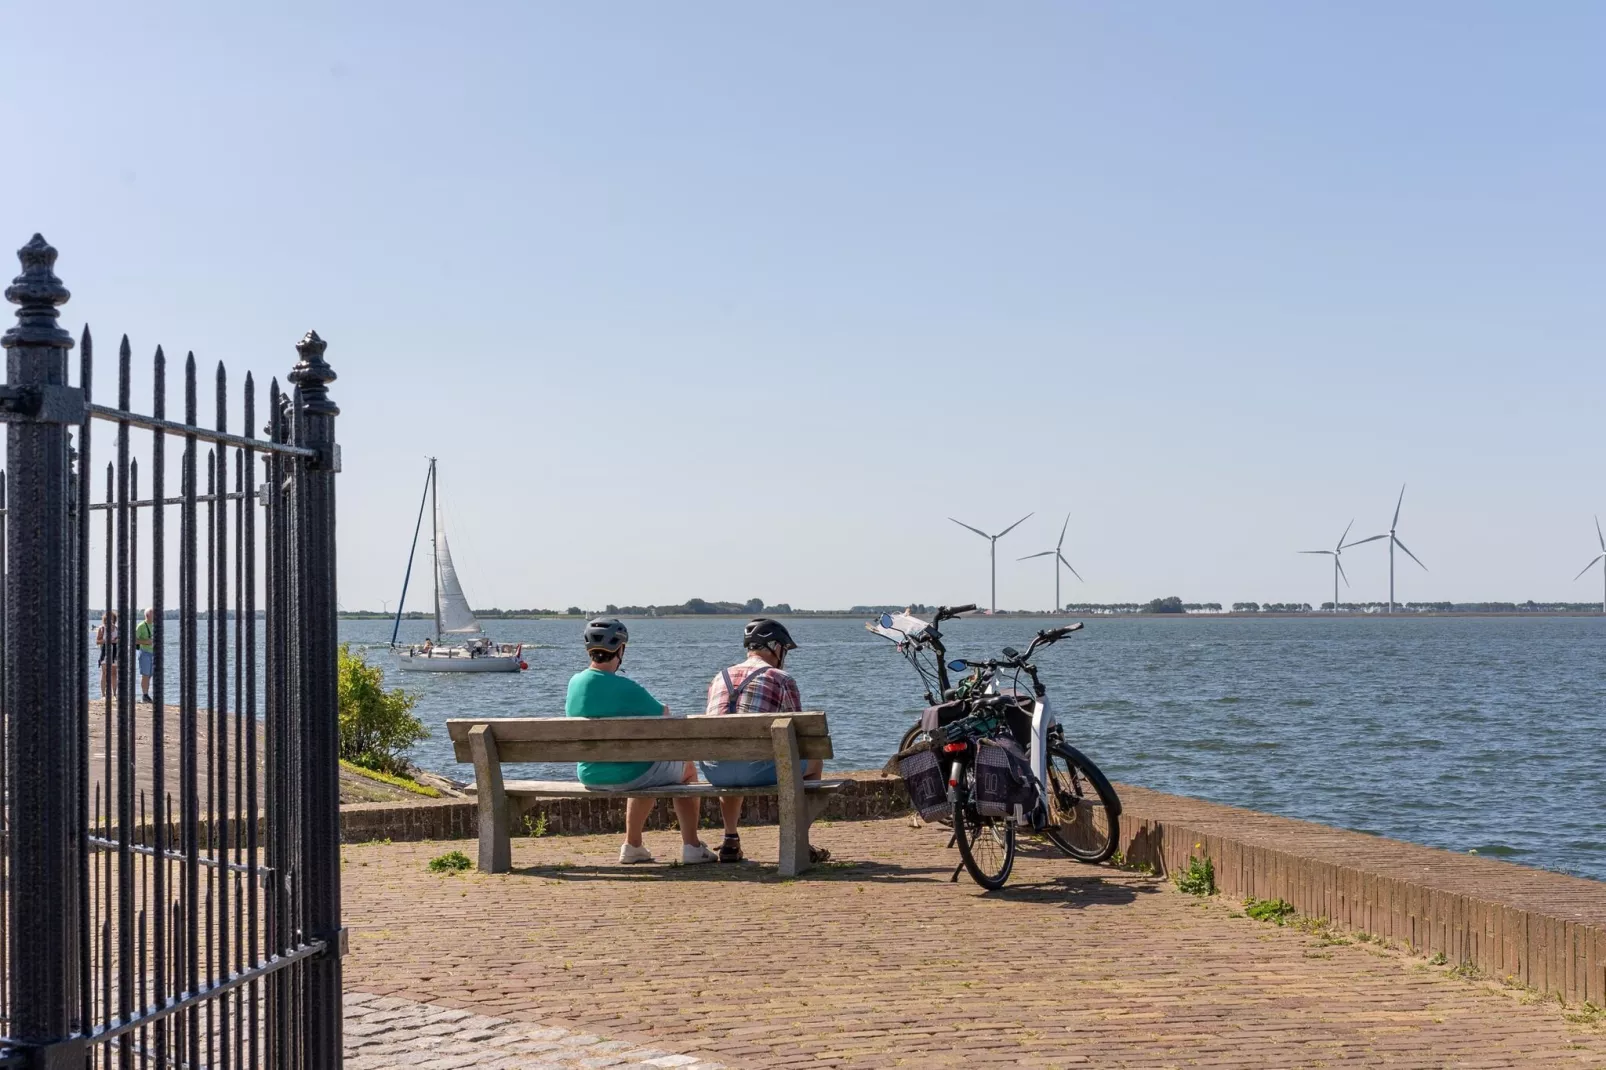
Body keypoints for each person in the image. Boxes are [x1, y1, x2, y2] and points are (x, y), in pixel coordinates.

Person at [565, 618, 718, 865]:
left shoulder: (575, 683)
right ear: (621, 649)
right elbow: (664, 714)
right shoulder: (626, 687)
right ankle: (691, 847)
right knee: (686, 769)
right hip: (628, 775)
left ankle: (633, 846)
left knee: (645, 764)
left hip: (590, 773)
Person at [699, 618, 827, 864]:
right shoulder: (781, 678)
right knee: (814, 761)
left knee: (729, 753)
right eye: (785, 650)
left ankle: (730, 839)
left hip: (717, 772)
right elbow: (799, 733)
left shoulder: (719, 677)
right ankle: (798, 840)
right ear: (775, 647)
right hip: (756, 771)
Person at [96, 610, 119, 700]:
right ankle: (103, 695)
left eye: (112, 619)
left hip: (115, 652)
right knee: (104, 673)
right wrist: (106, 640)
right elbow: (97, 641)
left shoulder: (117, 629)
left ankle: (114, 694)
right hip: (105, 652)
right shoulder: (102, 629)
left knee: (114, 673)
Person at [135, 607, 155, 703]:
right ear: (147, 615)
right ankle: (145, 695)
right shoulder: (141, 626)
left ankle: (146, 694)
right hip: (144, 653)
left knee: (150, 674)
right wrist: (145, 641)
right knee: (145, 674)